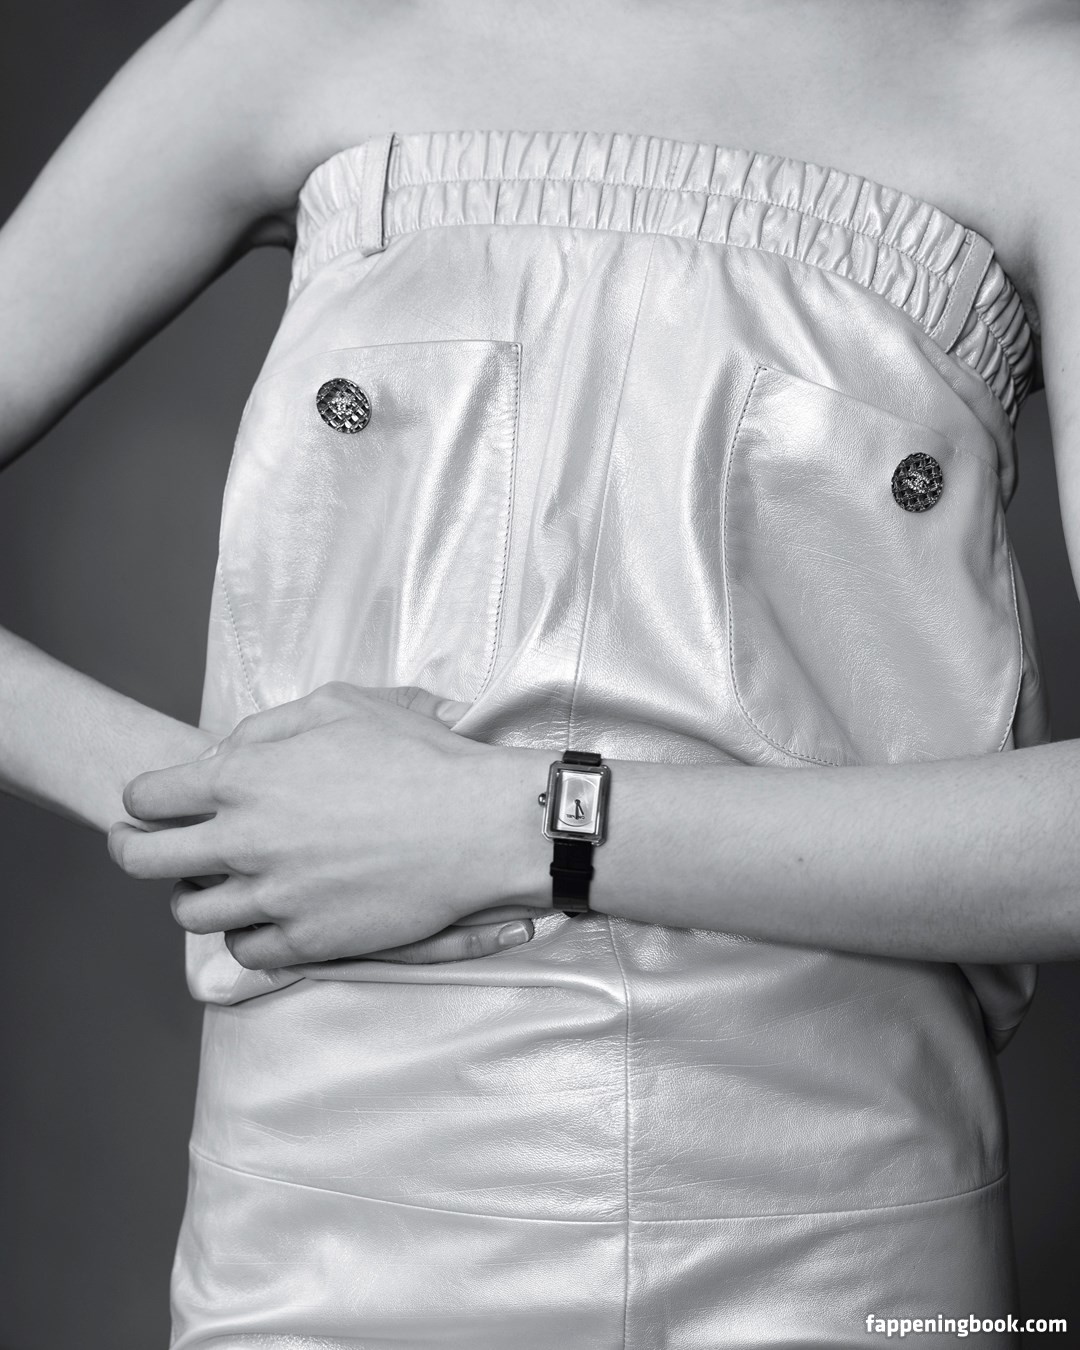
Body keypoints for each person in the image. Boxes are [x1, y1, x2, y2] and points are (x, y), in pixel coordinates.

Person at [1, 0, 1076, 1344]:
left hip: (839, 1232)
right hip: (330, 1223)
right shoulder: (295, 35)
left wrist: (526, 825)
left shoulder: (1030, 89)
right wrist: (225, 805)